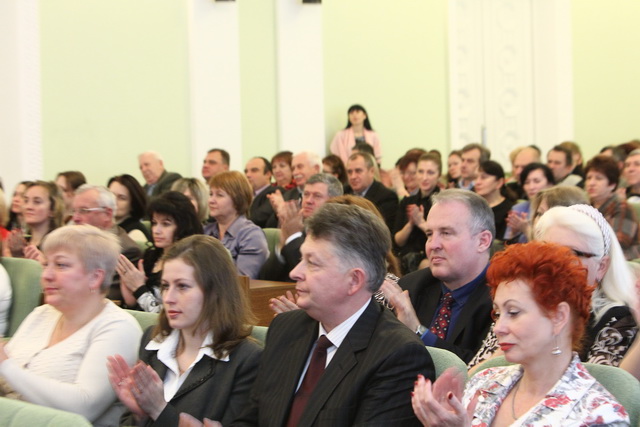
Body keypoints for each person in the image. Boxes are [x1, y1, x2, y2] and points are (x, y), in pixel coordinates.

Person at [232, 204, 434, 426]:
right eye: (301, 259)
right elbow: (252, 419)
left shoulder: (398, 356)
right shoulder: (285, 328)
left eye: (312, 263)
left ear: (354, 280)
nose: (294, 272)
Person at [412, 241, 629, 426]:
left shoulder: (601, 415)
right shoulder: (485, 382)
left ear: (558, 316)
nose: (498, 327)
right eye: (498, 314)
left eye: (513, 312)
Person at [109, 235, 262, 426]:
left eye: (182, 286)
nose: (168, 298)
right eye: (165, 286)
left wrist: (158, 409)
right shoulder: (153, 340)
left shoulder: (247, 359)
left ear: (215, 292)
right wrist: (139, 416)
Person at [0, 225, 142, 425]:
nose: (46, 275)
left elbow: (83, 408)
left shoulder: (119, 328)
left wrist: (6, 366)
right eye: (46, 264)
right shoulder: (42, 314)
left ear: (95, 277)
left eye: (61, 265)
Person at [470, 205, 638, 370]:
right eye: (546, 252)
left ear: (601, 266)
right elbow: (474, 376)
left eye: (571, 254)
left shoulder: (617, 318)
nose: (554, 264)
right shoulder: (515, 305)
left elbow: (604, 385)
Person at [382, 189, 494, 363]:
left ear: (483, 241)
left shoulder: (503, 299)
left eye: (446, 233)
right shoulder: (411, 287)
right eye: (429, 234)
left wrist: (417, 330)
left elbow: (479, 368)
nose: (433, 245)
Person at [117, 191, 203, 312]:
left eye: (165, 224)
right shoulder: (151, 257)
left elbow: (166, 313)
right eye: (154, 223)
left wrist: (139, 288)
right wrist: (130, 296)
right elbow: (138, 307)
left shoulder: (189, 263)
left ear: (183, 226)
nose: (156, 230)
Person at [259, 173, 343, 282]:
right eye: (306, 194)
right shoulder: (300, 228)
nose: (308, 201)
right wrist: (282, 246)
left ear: (334, 201)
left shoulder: (338, 234)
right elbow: (265, 277)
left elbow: (309, 275)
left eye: (317, 196)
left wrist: (293, 237)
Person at [72, 184, 142, 302]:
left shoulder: (125, 251)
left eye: (83, 211)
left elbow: (106, 295)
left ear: (107, 214)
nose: (75, 218)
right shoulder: (76, 242)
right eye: (74, 211)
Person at [205, 171, 268, 279]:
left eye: (219, 195)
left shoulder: (251, 235)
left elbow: (241, 280)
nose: (211, 200)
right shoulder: (205, 231)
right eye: (211, 194)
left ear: (237, 200)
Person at [393, 153, 441, 274]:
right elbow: (397, 241)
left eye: (430, 173)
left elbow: (441, 238)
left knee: (425, 265)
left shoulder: (443, 203)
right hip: (405, 257)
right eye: (420, 172)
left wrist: (422, 223)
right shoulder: (407, 201)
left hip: (431, 256)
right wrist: (410, 223)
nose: (424, 177)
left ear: (439, 175)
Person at [585, 155, 640, 260]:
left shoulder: (621, 207)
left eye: (598, 178)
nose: (591, 183)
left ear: (612, 184)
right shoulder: (586, 206)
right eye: (589, 178)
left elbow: (617, 244)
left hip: (623, 260)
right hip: (595, 256)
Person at [4, 181, 64, 259]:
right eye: (26, 201)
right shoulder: (23, 242)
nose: (28, 207)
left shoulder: (58, 245)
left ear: (52, 210)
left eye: (37, 202)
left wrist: (44, 263)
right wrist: (16, 255)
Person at [344, 151, 399, 231]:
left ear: (372, 172)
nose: (353, 176)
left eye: (358, 171)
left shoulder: (386, 197)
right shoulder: (344, 192)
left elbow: (383, 231)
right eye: (349, 172)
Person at [504, 162, 555, 243]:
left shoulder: (557, 210)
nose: (531, 187)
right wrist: (514, 233)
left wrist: (526, 230)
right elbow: (507, 245)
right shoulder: (518, 208)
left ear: (550, 183)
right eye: (527, 183)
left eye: (537, 181)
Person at [473, 160, 515, 241]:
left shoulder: (509, 211)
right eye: (475, 178)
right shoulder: (472, 207)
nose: (477, 182)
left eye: (483, 177)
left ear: (499, 182)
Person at [108, 174, 151, 242]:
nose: (114, 201)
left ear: (133, 204)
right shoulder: (107, 227)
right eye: (110, 195)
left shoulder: (135, 233)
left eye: (122, 198)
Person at [244, 157, 278, 228]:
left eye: (254, 170)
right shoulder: (244, 196)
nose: (248, 175)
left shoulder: (275, 192)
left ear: (268, 174)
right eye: (246, 171)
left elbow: (258, 218)